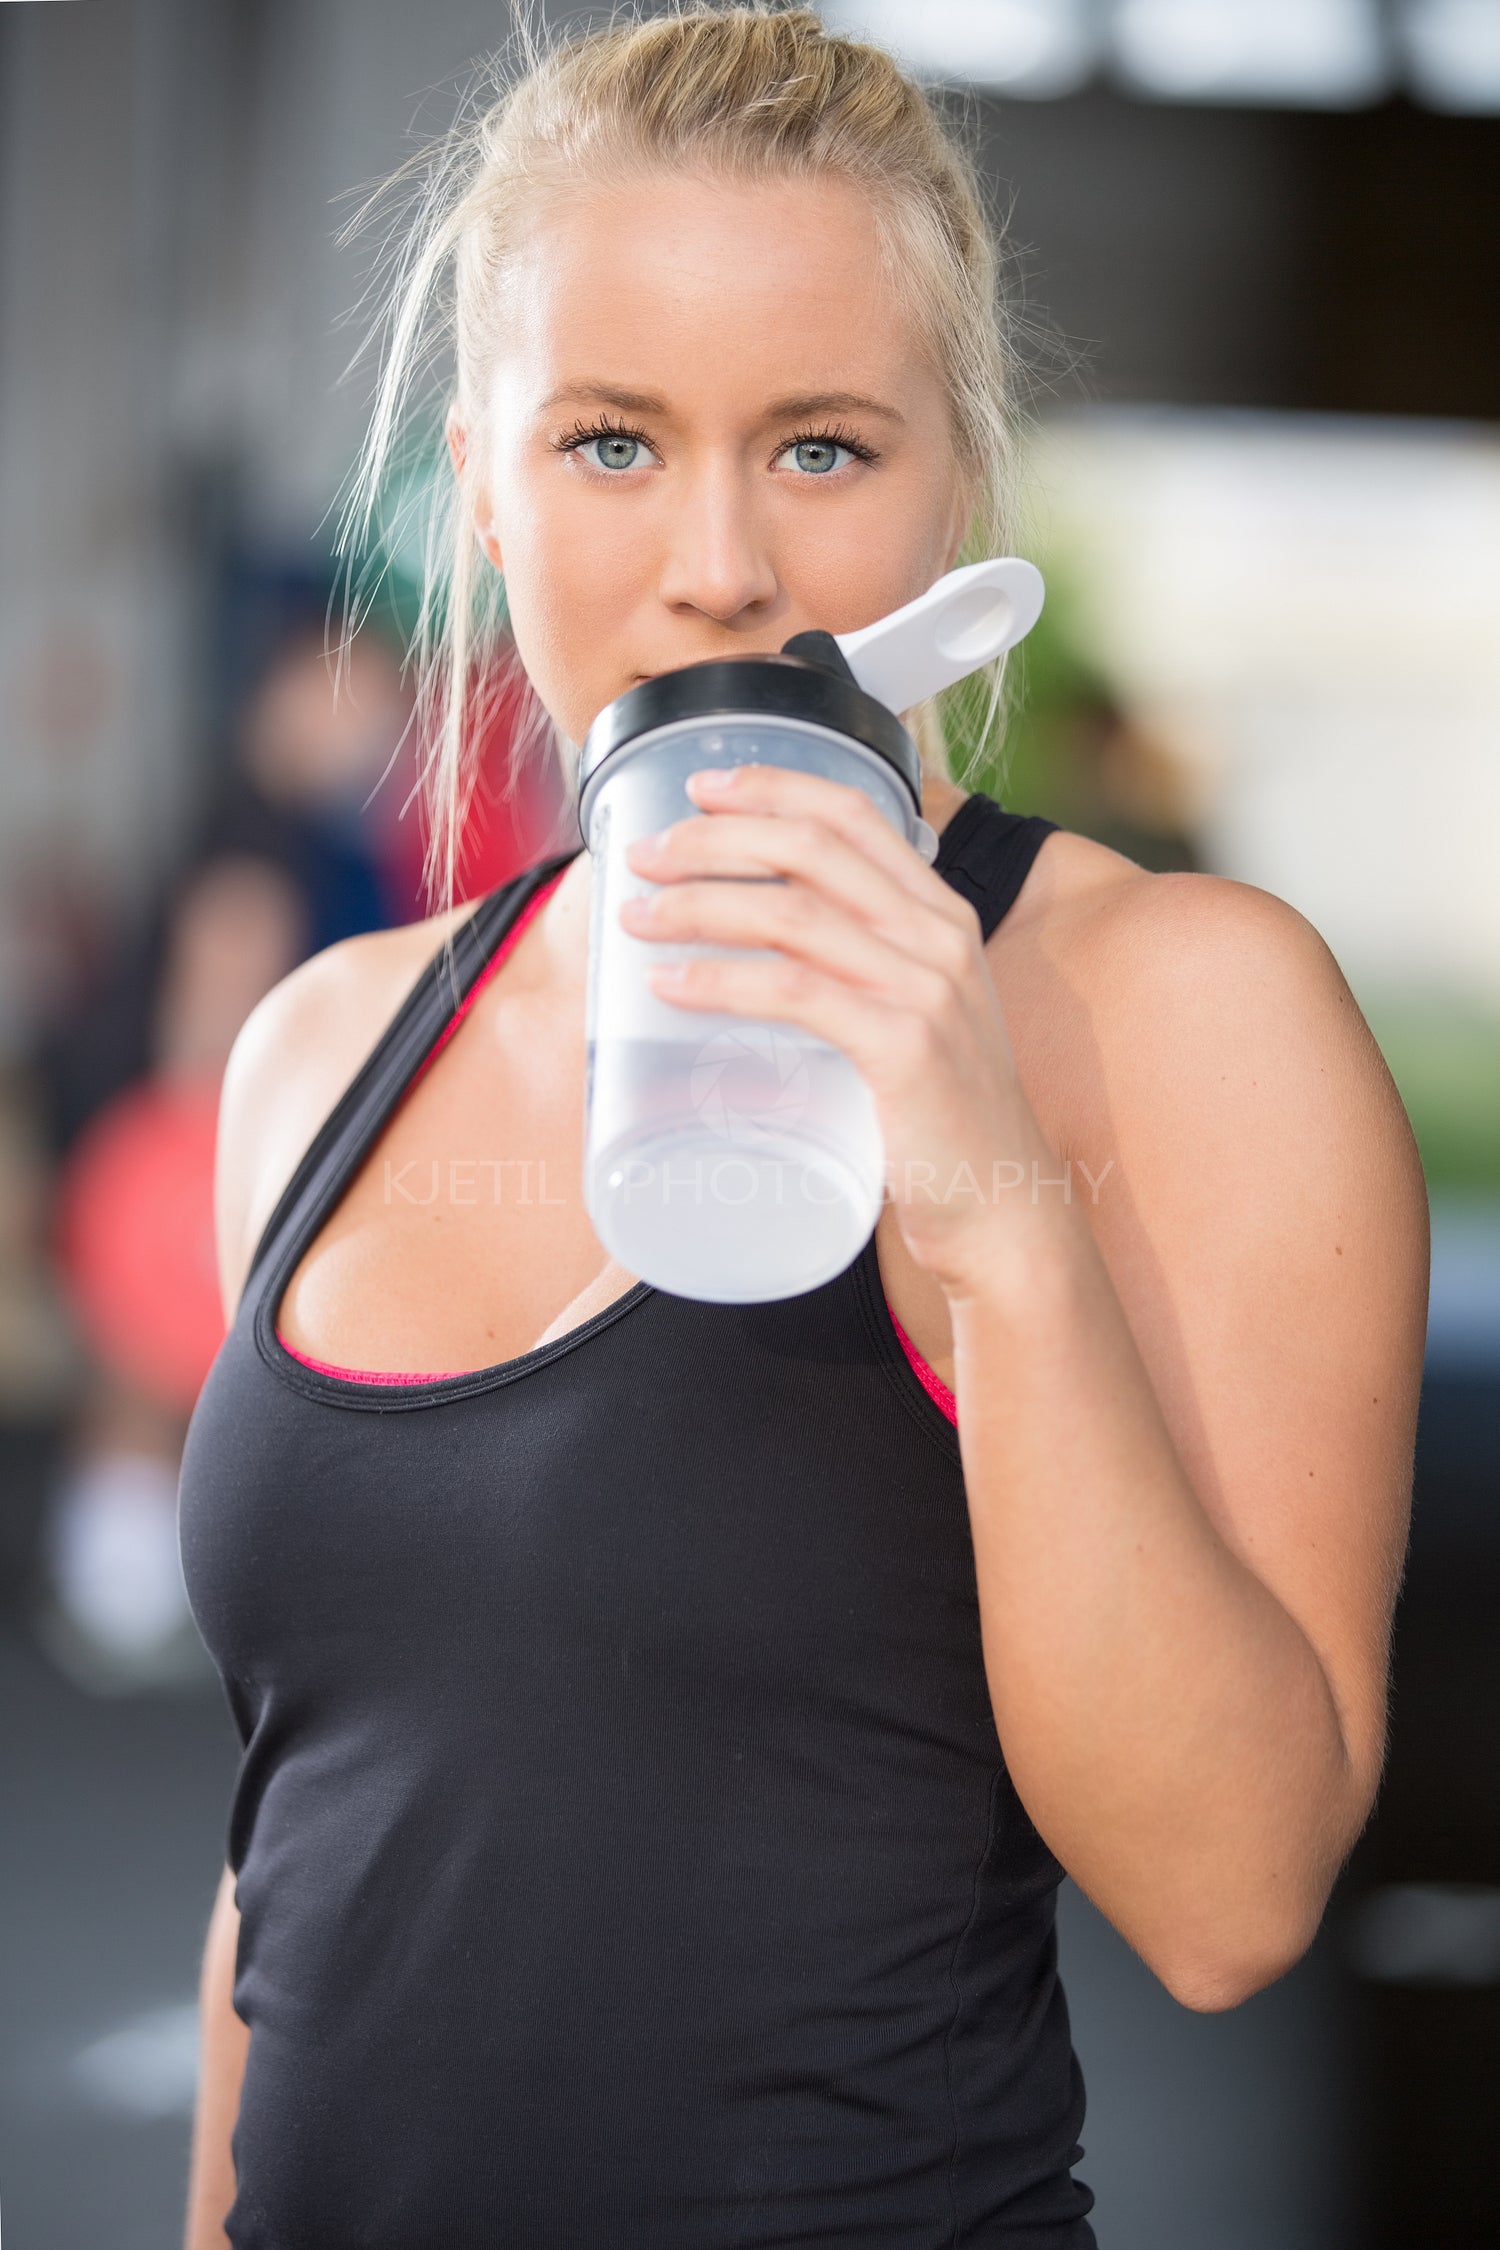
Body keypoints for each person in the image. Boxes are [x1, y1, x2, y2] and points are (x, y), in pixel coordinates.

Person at [179, 9, 1429, 2246]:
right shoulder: (320, 1053)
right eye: (614, 444)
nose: (723, 565)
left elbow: (1233, 1897)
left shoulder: (1174, 1009)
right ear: (481, 474)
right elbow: (295, 1869)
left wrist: (991, 1206)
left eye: (826, 450)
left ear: (959, 479)